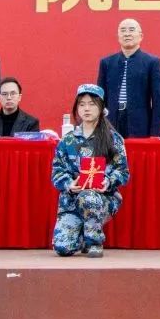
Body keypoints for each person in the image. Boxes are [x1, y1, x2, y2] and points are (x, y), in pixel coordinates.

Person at [51, 85, 130, 257]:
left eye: (92, 104)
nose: (86, 108)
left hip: (102, 198)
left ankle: (94, 242)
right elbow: (57, 171)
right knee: (63, 248)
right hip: (72, 200)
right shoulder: (67, 140)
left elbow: (123, 171)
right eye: (82, 104)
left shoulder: (113, 139)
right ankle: (81, 235)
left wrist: (108, 181)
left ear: (101, 108)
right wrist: (69, 184)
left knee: (88, 196)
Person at [96, 18, 160, 138]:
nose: (127, 34)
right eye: (123, 30)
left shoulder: (152, 62)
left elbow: (159, 100)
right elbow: (100, 98)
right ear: (118, 36)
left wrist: (155, 131)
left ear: (141, 36)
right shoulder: (107, 62)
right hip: (111, 121)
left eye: (131, 30)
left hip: (140, 123)